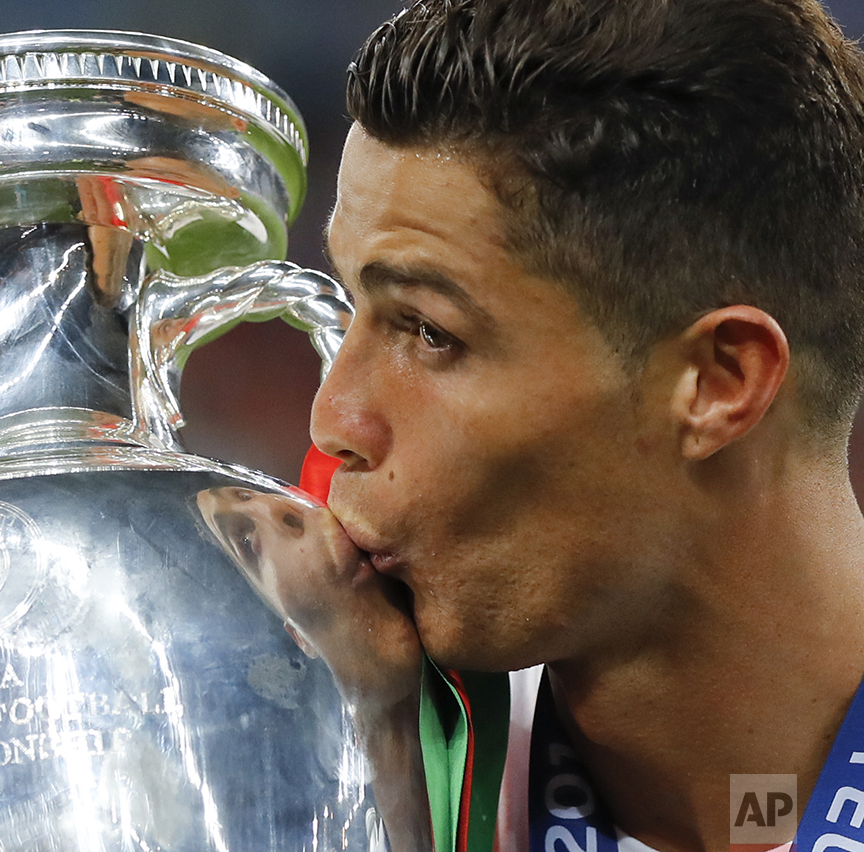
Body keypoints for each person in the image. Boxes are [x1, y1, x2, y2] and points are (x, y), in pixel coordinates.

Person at [304, 1, 864, 851]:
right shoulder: (316, 785)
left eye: (429, 331)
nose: (332, 419)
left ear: (718, 382)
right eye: (352, 306)